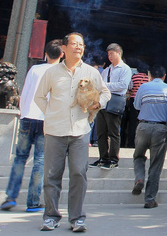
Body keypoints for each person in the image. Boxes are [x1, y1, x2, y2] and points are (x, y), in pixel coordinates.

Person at [34, 32, 111, 232]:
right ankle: (51, 216)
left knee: (78, 173)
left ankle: (77, 218)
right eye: (74, 44)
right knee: (52, 175)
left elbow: (106, 92)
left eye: (81, 45)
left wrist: (98, 104)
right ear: (64, 48)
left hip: (80, 130)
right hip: (54, 130)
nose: (78, 47)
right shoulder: (51, 72)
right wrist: (50, 114)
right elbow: (39, 97)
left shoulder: (91, 72)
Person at [0, 40, 63, 212]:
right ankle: (33, 202)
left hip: (28, 116)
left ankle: (11, 197)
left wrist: (23, 112)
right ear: (62, 54)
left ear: (45, 53)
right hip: (46, 119)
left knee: (20, 157)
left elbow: (25, 92)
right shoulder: (59, 72)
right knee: (40, 159)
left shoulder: (35, 69)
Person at [132, 64, 167, 209]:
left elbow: (136, 106)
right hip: (160, 128)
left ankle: (139, 178)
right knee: (156, 164)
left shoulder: (143, 87)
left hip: (143, 126)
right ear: (164, 76)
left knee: (138, 156)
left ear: (150, 76)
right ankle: (150, 199)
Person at [92, 43, 132, 170]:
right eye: (108, 54)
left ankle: (113, 159)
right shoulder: (106, 70)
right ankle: (103, 157)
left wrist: (105, 85)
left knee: (113, 132)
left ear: (119, 53)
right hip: (103, 102)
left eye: (112, 53)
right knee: (101, 131)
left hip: (115, 100)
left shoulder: (125, 69)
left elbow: (122, 85)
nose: (109, 56)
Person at [121, 61, 150, 148]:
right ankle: (143, 143)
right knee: (144, 122)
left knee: (133, 123)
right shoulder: (148, 78)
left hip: (133, 100)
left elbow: (129, 87)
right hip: (144, 101)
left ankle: (131, 143)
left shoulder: (134, 77)